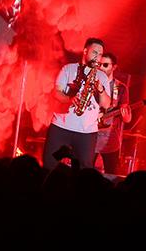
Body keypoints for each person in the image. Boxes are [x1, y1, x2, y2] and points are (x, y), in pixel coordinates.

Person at [43, 37, 112, 170]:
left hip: (86, 133)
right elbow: (56, 93)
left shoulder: (102, 76)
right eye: (94, 52)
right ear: (85, 51)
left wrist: (100, 89)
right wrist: (69, 99)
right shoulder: (68, 69)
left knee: (82, 170)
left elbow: (106, 104)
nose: (97, 57)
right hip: (61, 128)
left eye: (100, 54)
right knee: (50, 165)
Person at [94, 53, 131, 174]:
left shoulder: (120, 88)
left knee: (111, 175)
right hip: (90, 137)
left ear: (114, 67)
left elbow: (127, 119)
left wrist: (126, 115)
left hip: (110, 141)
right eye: (99, 65)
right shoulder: (92, 84)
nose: (101, 68)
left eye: (105, 65)